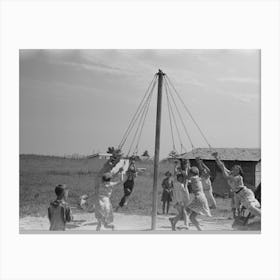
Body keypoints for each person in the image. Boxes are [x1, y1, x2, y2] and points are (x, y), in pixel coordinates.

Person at [212, 152, 261, 218]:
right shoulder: (231, 173)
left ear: (239, 171)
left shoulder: (238, 177)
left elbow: (226, 176)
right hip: (237, 194)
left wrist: (223, 169)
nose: (235, 170)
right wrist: (216, 158)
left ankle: (258, 208)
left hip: (245, 192)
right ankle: (241, 218)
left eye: (237, 169)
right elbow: (222, 166)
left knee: (250, 206)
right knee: (237, 207)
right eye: (234, 169)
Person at [185, 167, 211, 231]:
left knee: (186, 210)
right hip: (202, 198)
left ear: (191, 173)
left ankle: (185, 225)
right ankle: (200, 229)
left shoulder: (194, 178)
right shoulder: (198, 178)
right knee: (192, 217)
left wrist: (186, 168)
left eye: (189, 173)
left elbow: (187, 177)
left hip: (199, 197)